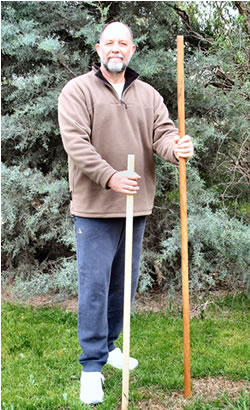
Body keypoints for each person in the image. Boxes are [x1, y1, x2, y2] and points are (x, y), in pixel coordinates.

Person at [58, 21, 194, 405]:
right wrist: (110, 177)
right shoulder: (77, 91)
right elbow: (76, 144)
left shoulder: (148, 95)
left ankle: (111, 346)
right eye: (109, 43)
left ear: (132, 50)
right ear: (98, 49)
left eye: (123, 43)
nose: (116, 48)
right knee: (95, 287)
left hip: (136, 207)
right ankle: (91, 367)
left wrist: (176, 148)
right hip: (95, 208)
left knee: (123, 286)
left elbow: (163, 134)